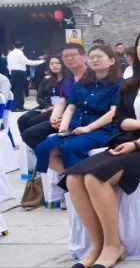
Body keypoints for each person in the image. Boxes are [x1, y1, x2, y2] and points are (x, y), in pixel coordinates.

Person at [63, 28, 140, 268]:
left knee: (94, 178)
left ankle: (113, 245)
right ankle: (96, 244)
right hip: (124, 143)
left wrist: (136, 143)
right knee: (73, 178)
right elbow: (119, 119)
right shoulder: (130, 83)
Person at [34, 45, 122, 175]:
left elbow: (113, 112)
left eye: (99, 57)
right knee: (43, 149)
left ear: (112, 61)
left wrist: (89, 128)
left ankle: (77, 181)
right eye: (92, 57)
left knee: (70, 147)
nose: (95, 60)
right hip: (77, 127)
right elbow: (70, 107)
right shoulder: (82, 83)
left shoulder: (119, 84)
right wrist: (62, 129)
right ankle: (72, 180)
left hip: (103, 129)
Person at [18, 44, 87, 152]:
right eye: (65, 56)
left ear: (84, 56)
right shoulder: (68, 80)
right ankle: (49, 161)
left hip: (82, 119)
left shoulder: (93, 77)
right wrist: (54, 118)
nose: (69, 58)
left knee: (35, 123)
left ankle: (57, 160)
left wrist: (64, 119)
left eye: (73, 55)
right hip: (62, 116)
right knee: (28, 133)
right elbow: (61, 103)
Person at [6, 41, 45, 110]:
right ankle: (18, 107)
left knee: (15, 90)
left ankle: (17, 106)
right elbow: (28, 62)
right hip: (19, 73)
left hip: (13, 72)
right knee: (19, 90)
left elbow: (8, 64)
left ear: (14, 46)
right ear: (23, 46)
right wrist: (41, 61)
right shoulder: (19, 53)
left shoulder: (10, 54)